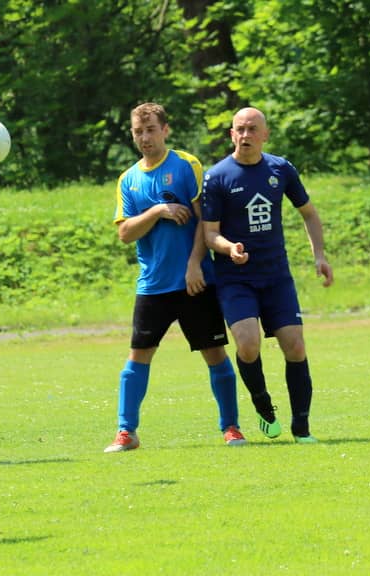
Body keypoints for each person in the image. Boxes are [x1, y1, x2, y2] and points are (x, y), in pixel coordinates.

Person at [105, 102, 246, 453]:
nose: (145, 138)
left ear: (165, 130)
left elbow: (205, 221)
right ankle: (126, 432)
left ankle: (231, 428)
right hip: (153, 285)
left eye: (151, 130)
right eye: (138, 132)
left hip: (194, 281)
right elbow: (125, 234)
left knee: (214, 353)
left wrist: (194, 264)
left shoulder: (186, 165)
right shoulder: (128, 179)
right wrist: (157, 210)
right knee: (138, 356)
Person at [202, 107, 333, 443]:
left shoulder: (281, 169)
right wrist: (230, 248)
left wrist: (319, 256)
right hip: (235, 278)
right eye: (240, 129)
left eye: (252, 129)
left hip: (276, 277)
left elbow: (309, 213)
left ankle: (302, 428)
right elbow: (210, 234)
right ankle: (263, 406)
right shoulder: (217, 177)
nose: (245, 135)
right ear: (231, 134)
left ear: (265, 135)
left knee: (296, 346)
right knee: (248, 346)